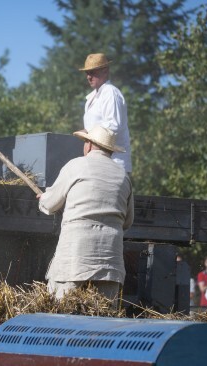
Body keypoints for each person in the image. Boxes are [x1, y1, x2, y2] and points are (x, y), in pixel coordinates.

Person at [37, 126, 134, 307]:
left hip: (74, 261)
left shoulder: (76, 166)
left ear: (89, 145)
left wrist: (43, 197)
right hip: (110, 264)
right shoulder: (123, 176)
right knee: (104, 321)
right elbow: (127, 221)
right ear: (110, 151)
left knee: (61, 314)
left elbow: (50, 205)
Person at [79, 53, 132, 174]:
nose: (88, 77)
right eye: (87, 73)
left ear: (105, 71)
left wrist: (88, 133)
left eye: (92, 72)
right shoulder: (92, 97)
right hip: (98, 163)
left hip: (114, 163)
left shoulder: (110, 92)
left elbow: (114, 125)